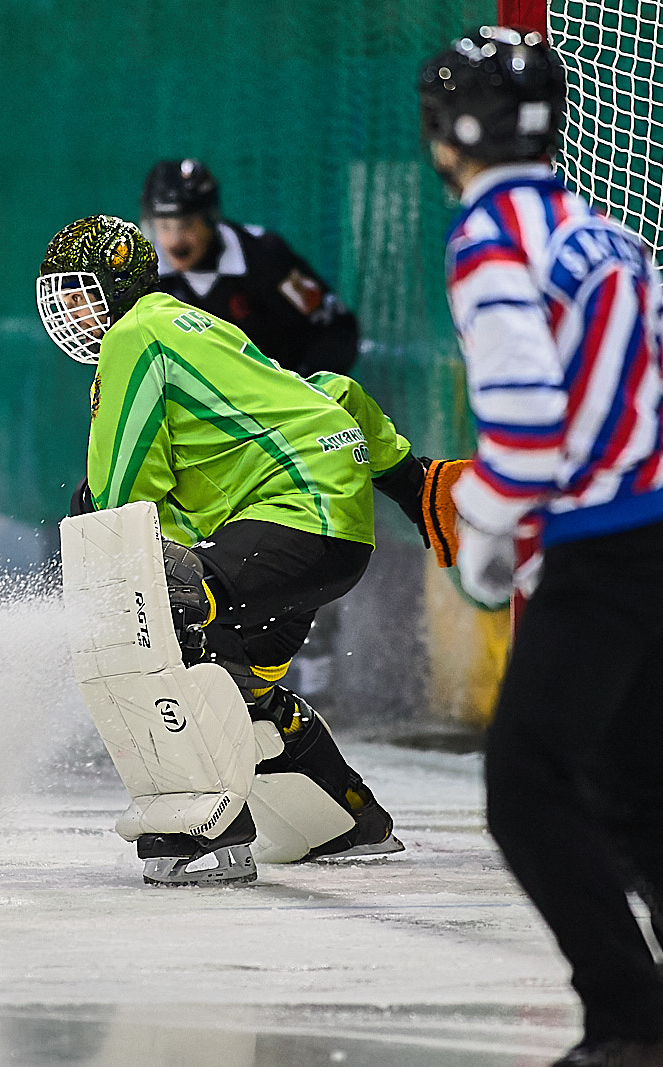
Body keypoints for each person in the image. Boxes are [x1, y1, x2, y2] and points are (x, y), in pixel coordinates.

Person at [421, 27, 663, 1067]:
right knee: (631, 778)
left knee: (528, 789)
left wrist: (483, 517)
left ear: (446, 134)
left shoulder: (489, 240)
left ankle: (631, 1012)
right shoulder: (598, 226)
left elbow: (525, 423)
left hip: (602, 546)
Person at [39, 214, 463, 881]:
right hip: (325, 527)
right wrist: (412, 482)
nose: (68, 310)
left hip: (295, 518)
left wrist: (97, 528)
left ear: (118, 286)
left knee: (153, 602)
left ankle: (206, 831)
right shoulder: (199, 327)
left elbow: (123, 500)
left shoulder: (136, 334)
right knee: (233, 681)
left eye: (79, 292)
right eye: (58, 298)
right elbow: (329, 392)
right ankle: (345, 821)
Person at [141, 159, 358, 377]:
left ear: (209, 218)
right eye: (165, 226)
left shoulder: (265, 257)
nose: (175, 240)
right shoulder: (146, 277)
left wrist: (301, 388)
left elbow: (337, 329)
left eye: (186, 225)